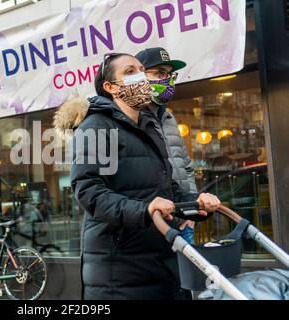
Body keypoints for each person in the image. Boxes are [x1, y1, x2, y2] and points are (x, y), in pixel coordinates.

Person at [53, 53, 220, 300]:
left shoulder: (150, 127)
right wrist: (144, 211)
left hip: (161, 262)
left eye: (142, 69)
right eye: (130, 72)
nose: (141, 76)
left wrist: (196, 205)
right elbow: (89, 191)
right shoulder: (97, 125)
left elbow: (167, 188)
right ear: (110, 87)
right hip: (120, 270)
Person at [136, 47, 197, 244]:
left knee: (189, 275)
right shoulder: (131, 119)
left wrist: (191, 210)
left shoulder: (169, 117)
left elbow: (186, 166)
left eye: (170, 74)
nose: (167, 79)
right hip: (156, 221)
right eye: (160, 73)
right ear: (139, 77)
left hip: (184, 219)